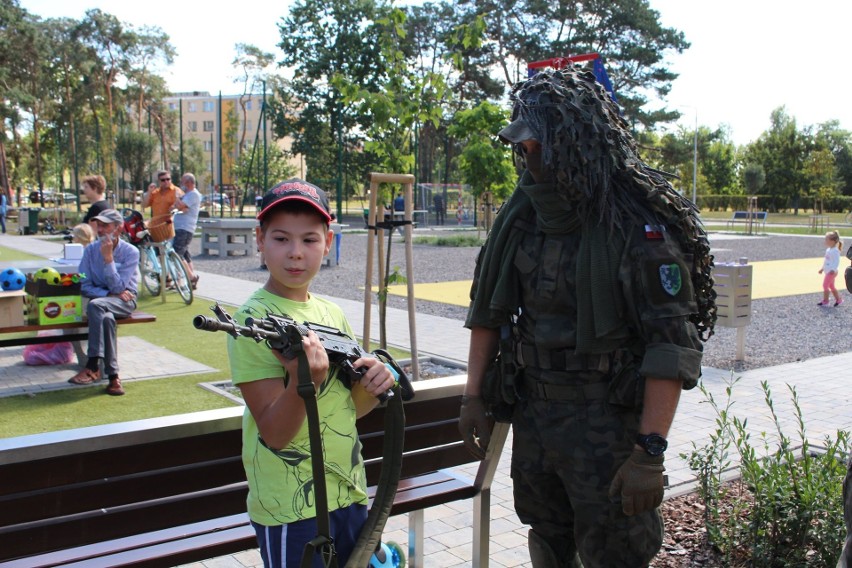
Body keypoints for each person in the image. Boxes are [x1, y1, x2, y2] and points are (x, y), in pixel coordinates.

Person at [458, 67, 716, 568]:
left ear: (576, 143)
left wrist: (649, 453)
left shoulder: (638, 230)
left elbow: (671, 348)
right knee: (548, 542)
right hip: (536, 417)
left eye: (538, 146)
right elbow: (488, 310)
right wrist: (473, 395)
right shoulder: (522, 219)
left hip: (607, 429)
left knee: (615, 553)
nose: (528, 159)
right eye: (523, 147)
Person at [227, 178, 395, 567]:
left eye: (309, 240)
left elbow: (348, 409)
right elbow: (277, 434)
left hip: (349, 492)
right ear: (260, 240)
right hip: (292, 507)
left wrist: (374, 383)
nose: (296, 254)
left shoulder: (330, 314)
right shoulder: (251, 321)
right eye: (282, 239)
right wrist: (307, 382)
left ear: (329, 242)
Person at [67, 209, 139, 396]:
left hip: (125, 302)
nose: (100, 229)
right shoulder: (90, 250)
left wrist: (108, 259)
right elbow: (83, 283)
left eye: (105, 225)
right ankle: (113, 376)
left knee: (96, 305)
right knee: (106, 317)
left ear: (118, 228)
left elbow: (120, 287)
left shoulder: (131, 252)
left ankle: (92, 366)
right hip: (103, 302)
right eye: (98, 225)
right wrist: (107, 293)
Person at [173, 172, 201, 288]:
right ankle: (189, 280)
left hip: (185, 228)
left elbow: (179, 206)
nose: (181, 185)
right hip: (181, 227)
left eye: (183, 182)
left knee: (177, 254)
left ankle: (191, 277)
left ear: (189, 183)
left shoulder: (193, 195)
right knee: (185, 254)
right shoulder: (187, 194)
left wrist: (176, 198)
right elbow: (179, 207)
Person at [818, 230, 843, 307]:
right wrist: (822, 268)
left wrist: (833, 269)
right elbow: (826, 261)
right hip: (828, 271)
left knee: (825, 285)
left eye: (827, 239)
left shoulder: (835, 251)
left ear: (833, 241)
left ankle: (826, 301)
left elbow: (836, 261)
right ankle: (839, 300)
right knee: (831, 286)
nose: (825, 241)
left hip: (832, 272)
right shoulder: (828, 250)